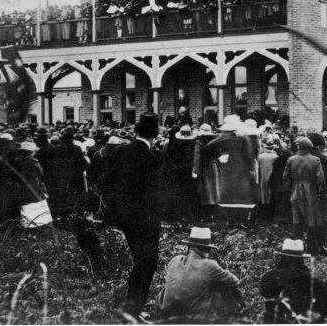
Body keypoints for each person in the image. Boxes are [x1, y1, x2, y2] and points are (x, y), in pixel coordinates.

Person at [99, 113, 162, 319]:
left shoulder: (119, 151)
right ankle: (132, 311)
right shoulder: (153, 159)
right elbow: (155, 194)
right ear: (156, 133)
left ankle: (132, 307)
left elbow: (106, 181)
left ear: (137, 131)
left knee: (137, 260)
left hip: (119, 216)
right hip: (143, 220)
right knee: (146, 262)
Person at [158, 227, 241, 323]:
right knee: (222, 288)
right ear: (207, 249)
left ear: (189, 246)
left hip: (165, 313)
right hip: (192, 318)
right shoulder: (209, 265)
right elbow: (235, 282)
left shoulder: (175, 260)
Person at [259, 239, 327, 324]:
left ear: (282, 257)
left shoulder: (268, 277)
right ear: (300, 259)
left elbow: (263, 291)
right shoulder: (306, 278)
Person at [283, 137, 326, 253]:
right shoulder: (315, 159)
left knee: (297, 218)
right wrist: (320, 190)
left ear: (299, 147)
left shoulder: (291, 159)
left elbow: (286, 178)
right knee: (311, 218)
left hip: (295, 190)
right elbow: (320, 179)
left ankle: (297, 246)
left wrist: (290, 191)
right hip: (310, 190)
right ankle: (311, 246)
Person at [258, 138, 279, 219]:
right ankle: (270, 211)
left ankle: (263, 209)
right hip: (271, 176)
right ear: (272, 147)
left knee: (263, 191)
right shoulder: (275, 156)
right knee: (270, 191)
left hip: (263, 175)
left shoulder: (260, 156)